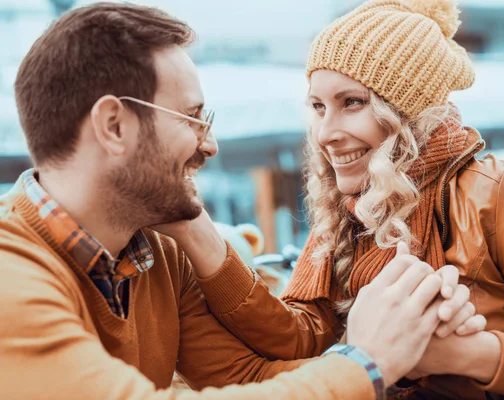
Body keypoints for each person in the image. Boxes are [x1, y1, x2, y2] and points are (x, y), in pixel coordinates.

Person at [0, 3, 475, 400]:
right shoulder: (11, 275)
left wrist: (404, 343)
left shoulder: (158, 254)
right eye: (191, 118)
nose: (210, 146)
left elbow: (244, 380)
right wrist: (367, 362)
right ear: (113, 126)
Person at [192, 0, 504, 399]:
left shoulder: (492, 191)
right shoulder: (345, 210)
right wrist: (199, 235)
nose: (325, 133)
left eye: (352, 102)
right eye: (318, 107)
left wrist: (471, 356)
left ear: (406, 109)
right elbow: (301, 341)